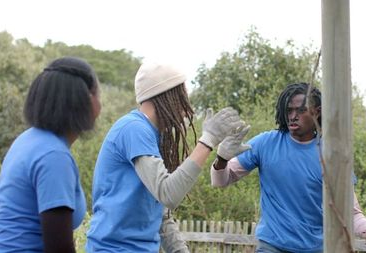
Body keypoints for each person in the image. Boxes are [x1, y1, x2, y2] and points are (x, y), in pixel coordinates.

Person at [211, 82, 366, 252]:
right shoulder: (265, 144)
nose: (293, 116)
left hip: (316, 248)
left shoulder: (333, 156)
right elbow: (220, 181)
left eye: (300, 111)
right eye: (289, 110)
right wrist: (221, 159)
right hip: (272, 246)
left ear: (317, 112)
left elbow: (351, 213)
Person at [85, 63, 246, 252]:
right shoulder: (134, 129)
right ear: (165, 97)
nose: (188, 108)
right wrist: (207, 141)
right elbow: (168, 193)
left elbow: (160, 214)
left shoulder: (152, 136)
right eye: (181, 97)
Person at [0, 56, 101, 252]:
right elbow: (59, 247)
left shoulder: (26, 140)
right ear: (87, 100)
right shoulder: (54, 157)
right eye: (99, 94)